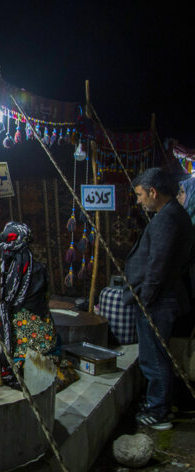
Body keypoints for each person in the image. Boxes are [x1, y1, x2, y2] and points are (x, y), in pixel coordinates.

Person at [124, 168, 194, 430]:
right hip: (162, 298)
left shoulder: (168, 220)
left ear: (153, 192)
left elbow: (159, 266)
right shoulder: (172, 215)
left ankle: (159, 411)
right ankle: (163, 402)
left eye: (141, 195)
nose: (139, 201)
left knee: (154, 357)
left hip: (159, 301)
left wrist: (146, 297)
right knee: (158, 354)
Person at [0, 222, 57, 388]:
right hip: (29, 337)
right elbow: (42, 301)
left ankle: (0, 361)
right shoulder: (35, 269)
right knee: (43, 327)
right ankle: (19, 364)